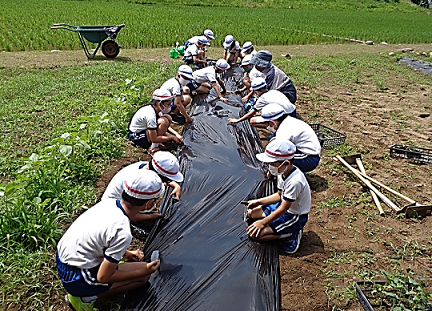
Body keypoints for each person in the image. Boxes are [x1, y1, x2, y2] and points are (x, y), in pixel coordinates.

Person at [57, 170, 163, 311]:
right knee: (143, 277)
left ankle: (83, 291)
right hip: (78, 277)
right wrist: (145, 270)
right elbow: (103, 277)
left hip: (65, 260)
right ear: (149, 204)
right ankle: (84, 298)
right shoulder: (123, 232)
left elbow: (101, 237)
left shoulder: (109, 203)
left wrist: (126, 253)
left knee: (139, 269)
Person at [245, 138, 311, 254]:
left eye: (272, 164)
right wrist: (259, 202)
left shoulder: (295, 181)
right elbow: (279, 195)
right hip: (282, 206)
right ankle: (278, 227)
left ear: (286, 163)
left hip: (293, 215)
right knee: (251, 213)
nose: (269, 166)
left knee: (257, 235)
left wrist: (263, 222)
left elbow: (283, 209)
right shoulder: (282, 171)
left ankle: (290, 233)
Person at [101, 151, 184, 222]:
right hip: (112, 208)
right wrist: (151, 216)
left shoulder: (146, 167)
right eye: (166, 179)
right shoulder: (138, 183)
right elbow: (130, 213)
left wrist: (175, 185)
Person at [254, 103, 321, 173]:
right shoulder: (288, 121)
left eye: (266, 123)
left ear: (272, 123)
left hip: (309, 158)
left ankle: (288, 171)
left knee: (279, 158)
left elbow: (277, 152)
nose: (266, 126)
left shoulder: (283, 131)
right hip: (308, 151)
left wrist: (270, 166)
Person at [128, 89, 184, 154]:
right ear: (160, 104)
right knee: (163, 121)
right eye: (168, 104)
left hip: (145, 131)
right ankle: (153, 147)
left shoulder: (156, 110)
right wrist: (170, 137)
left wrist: (176, 134)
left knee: (167, 118)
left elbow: (166, 127)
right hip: (137, 137)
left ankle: (161, 140)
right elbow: (154, 139)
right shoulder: (150, 115)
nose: (169, 107)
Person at [228, 77, 296, 127]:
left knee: (252, 121)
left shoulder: (262, 99)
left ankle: (275, 129)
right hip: (292, 112)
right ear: (266, 86)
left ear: (256, 91)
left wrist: (238, 120)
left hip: (284, 116)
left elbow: (251, 114)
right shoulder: (274, 91)